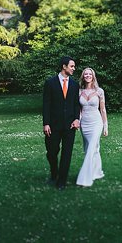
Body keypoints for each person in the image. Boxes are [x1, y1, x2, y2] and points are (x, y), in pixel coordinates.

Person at [42, 56, 81, 190]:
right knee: (52, 152)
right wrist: (46, 123)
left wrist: (77, 119)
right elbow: (46, 104)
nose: (74, 69)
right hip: (53, 125)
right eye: (72, 66)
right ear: (64, 67)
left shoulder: (75, 85)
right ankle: (54, 173)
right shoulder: (50, 83)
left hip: (70, 125)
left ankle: (61, 181)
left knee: (67, 153)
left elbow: (76, 104)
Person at [76, 67, 109, 187]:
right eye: (86, 74)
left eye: (90, 74)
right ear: (83, 77)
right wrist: (78, 122)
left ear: (93, 76)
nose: (88, 76)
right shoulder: (79, 91)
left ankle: (84, 178)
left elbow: (103, 109)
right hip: (85, 123)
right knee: (91, 148)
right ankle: (97, 172)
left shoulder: (100, 91)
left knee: (91, 148)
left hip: (96, 123)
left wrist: (105, 126)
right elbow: (79, 110)